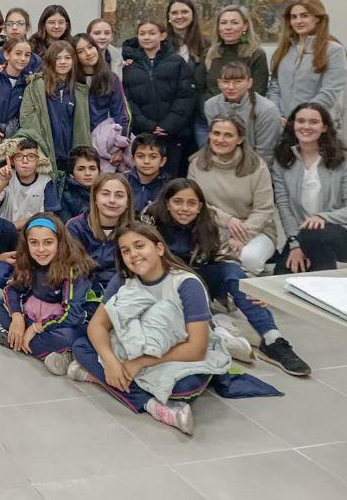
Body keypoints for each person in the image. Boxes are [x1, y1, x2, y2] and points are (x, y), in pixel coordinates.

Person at [69, 222, 232, 436]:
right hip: (132, 347)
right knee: (80, 345)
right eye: (126, 251)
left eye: (139, 246)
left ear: (159, 248)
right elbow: (98, 324)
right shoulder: (123, 279)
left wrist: (140, 362)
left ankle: (97, 376)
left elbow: (197, 348)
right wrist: (110, 361)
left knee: (182, 388)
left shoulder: (186, 283)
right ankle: (152, 405)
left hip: (174, 354)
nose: (133, 255)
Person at [145, 179, 311, 376]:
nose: (184, 208)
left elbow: (225, 258)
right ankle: (218, 333)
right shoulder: (151, 220)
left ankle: (272, 339)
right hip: (167, 285)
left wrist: (251, 289)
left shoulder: (209, 222)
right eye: (178, 202)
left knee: (233, 274)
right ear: (167, 203)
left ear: (200, 207)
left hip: (201, 278)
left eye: (191, 203)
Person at [0, 213, 93, 376]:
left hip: (65, 322)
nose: (41, 249)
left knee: (69, 337)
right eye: (34, 242)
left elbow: (73, 315)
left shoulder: (73, 268)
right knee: (0, 307)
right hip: (36, 314)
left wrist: (35, 328)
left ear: (60, 242)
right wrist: (17, 317)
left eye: (48, 242)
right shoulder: (29, 259)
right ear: (27, 244)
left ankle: (12, 340)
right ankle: (33, 344)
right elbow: (12, 289)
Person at [187, 115, 276, 276]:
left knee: (249, 258)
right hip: (211, 228)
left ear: (240, 139)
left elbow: (264, 210)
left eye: (228, 135)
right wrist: (228, 220)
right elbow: (194, 203)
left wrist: (241, 236)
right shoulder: (196, 164)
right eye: (216, 133)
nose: (220, 139)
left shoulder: (257, 166)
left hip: (254, 230)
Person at [273, 102, 347, 275]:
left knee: (313, 234)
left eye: (313, 122)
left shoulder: (342, 160)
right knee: (281, 275)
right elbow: (284, 207)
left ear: (324, 127)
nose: (306, 126)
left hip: (339, 233)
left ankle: (325, 284)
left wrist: (323, 217)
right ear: (293, 124)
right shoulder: (283, 160)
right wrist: (295, 244)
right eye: (301, 121)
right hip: (301, 236)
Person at [122, 19, 195, 173]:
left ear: (162, 36)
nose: (146, 37)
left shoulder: (177, 62)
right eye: (142, 34)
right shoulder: (130, 66)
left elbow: (185, 96)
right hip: (143, 135)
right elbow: (127, 100)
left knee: (170, 178)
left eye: (151, 33)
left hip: (172, 135)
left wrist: (168, 125)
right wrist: (147, 125)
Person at [268, 0, 347, 123]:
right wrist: (277, 114)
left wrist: (301, 118)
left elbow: (329, 92)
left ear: (318, 18)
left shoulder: (334, 50)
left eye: (304, 16)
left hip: (315, 124)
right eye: (294, 17)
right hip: (283, 124)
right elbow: (274, 87)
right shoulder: (284, 49)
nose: (298, 21)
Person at [19, 40, 92, 172]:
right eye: (57, 58)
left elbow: (83, 127)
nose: (63, 62)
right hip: (45, 153)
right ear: (50, 60)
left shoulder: (79, 90)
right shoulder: (36, 86)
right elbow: (27, 119)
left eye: (67, 58)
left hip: (71, 156)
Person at [66, 173, 136, 308]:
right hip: (84, 297)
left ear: (128, 202)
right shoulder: (75, 227)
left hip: (122, 296)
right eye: (105, 194)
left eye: (119, 195)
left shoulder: (135, 232)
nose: (112, 200)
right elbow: (74, 270)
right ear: (95, 198)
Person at [196, 5, 269, 131]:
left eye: (234, 23)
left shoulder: (256, 54)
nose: (228, 27)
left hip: (243, 123)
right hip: (210, 120)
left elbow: (258, 91)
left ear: (245, 26)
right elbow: (199, 88)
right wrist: (209, 113)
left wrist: (234, 121)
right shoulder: (210, 54)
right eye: (223, 23)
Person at [204, 60, 281, 165]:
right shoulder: (211, 105)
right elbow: (217, 143)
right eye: (225, 82)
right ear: (219, 83)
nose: (231, 87)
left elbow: (265, 152)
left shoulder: (267, 110)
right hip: (222, 162)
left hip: (256, 166)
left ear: (249, 82)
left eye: (238, 81)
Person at [0, 137, 60, 228]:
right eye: (19, 156)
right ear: (12, 161)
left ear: (38, 160)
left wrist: (14, 226)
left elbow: (49, 215)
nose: (25, 161)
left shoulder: (46, 181)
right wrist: (2, 181)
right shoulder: (7, 175)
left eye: (31, 156)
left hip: (34, 230)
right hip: (4, 230)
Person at [74, 33, 129, 138]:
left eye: (90, 47)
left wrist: (120, 140)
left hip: (105, 139)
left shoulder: (111, 78)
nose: (88, 53)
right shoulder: (72, 81)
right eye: (80, 51)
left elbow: (120, 114)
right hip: (79, 139)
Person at [0, 7, 35, 76]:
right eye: (10, 24)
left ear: (27, 28)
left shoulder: (35, 59)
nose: (14, 27)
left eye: (20, 23)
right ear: (5, 28)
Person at [127, 133, 170, 213]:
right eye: (140, 156)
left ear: (162, 161)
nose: (146, 161)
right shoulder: (122, 181)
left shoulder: (169, 186)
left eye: (153, 157)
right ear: (133, 160)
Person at [59, 146, 99, 222]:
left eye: (92, 168)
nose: (88, 173)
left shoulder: (106, 191)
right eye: (81, 169)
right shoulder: (65, 196)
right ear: (71, 174)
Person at [164, 0, 206, 64]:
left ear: (193, 15)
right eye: (174, 13)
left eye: (184, 12)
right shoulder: (160, 44)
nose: (179, 16)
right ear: (168, 17)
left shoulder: (206, 45)